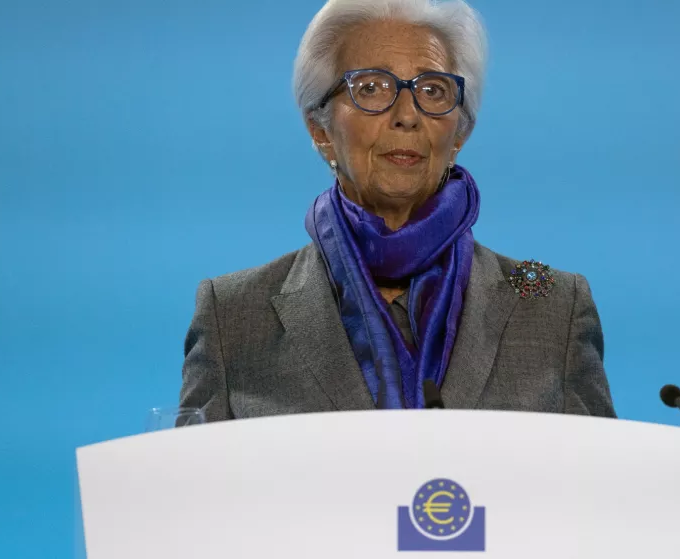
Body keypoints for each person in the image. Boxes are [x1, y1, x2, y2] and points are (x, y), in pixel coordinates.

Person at [180, 0, 615, 420]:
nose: (407, 115)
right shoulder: (233, 315)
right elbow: (190, 488)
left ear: (459, 133)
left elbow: (600, 487)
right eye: (371, 87)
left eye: (433, 90)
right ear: (321, 130)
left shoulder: (554, 307)